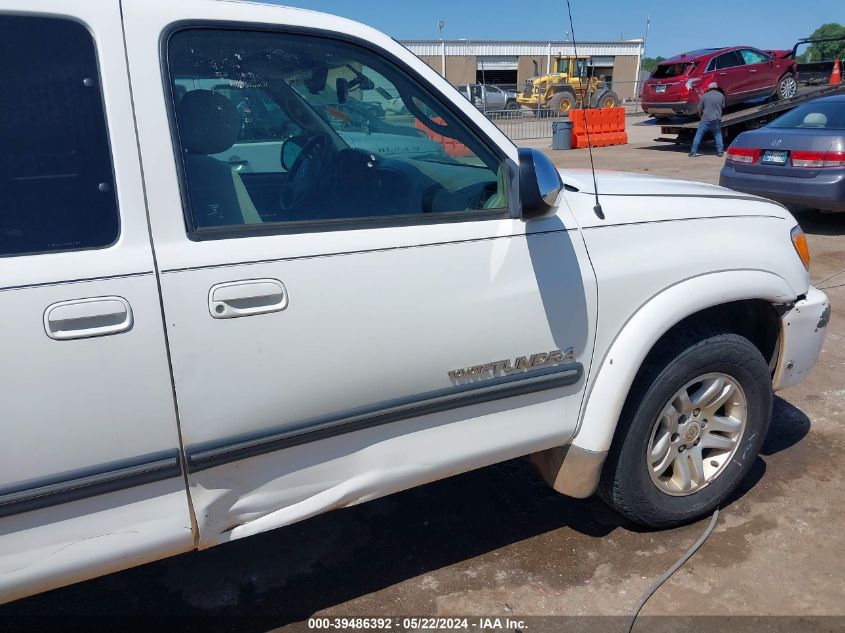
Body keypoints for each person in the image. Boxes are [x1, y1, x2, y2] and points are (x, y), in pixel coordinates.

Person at [690, 82, 725, 157]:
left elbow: (699, 108)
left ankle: (693, 152)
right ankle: (720, 152)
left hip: (705, 119)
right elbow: (723, 106)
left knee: (699, 135)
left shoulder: (704, 96)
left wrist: (700, 115)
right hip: (716, 120)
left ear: (709, 88)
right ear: (716, 88)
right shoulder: (721, 96)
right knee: (718, 135)